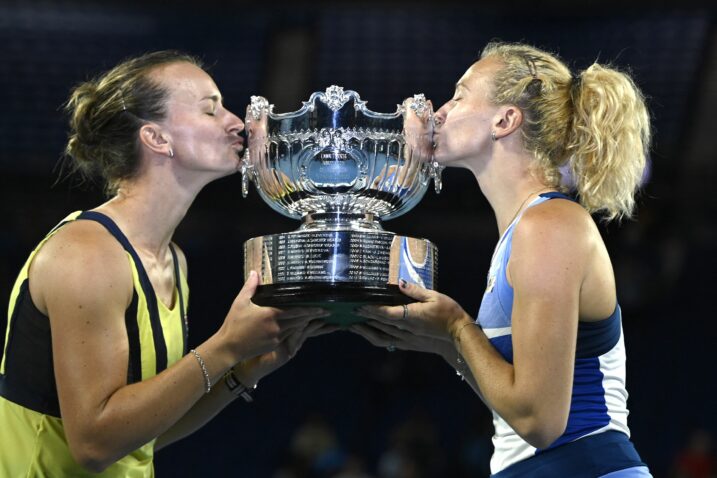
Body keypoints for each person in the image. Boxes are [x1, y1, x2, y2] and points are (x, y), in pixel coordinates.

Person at [0, 50, 331, 476]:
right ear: (157, 138)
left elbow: (140, 438)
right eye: (211, 110)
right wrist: (225, 345)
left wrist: (244, 370)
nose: (235, 122)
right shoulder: (87, 256)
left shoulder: (173, 259)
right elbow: (95, 443)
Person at [352, 42, 652, 477]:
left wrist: (456, 327)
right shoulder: (526, 229)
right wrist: (438, 341)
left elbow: (539, 421)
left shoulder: (550, 225)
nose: (439, 112)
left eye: (460, 94)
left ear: (505, 119)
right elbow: (513, 406)